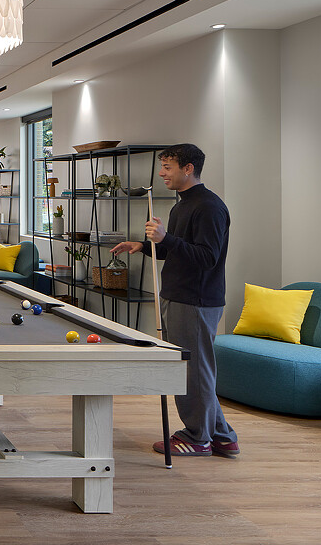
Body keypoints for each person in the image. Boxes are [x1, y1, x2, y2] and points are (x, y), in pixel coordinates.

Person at [110, 143, 238, 458]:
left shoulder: (209, 207)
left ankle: (197, 437)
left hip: (195, 299)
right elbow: (175, 250)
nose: (162, 173)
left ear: (188, 168)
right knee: (197, 369)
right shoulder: (182, 205)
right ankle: (221, 435)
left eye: (167, 167)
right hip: (179, 296)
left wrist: (166, 238)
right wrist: (144, 245)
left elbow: (207, 258)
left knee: (192, 371)